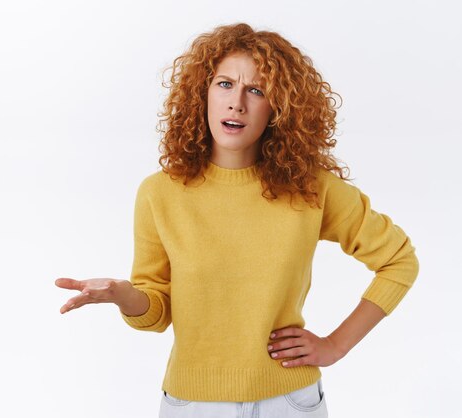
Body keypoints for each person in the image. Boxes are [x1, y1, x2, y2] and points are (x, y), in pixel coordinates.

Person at [55, 22, 419, 418]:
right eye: (225, 85)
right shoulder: (160, 193)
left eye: (256, 90)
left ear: (278, 108)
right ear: (202, 94)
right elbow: (156, 312)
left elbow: (399, 261)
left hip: (290, 401)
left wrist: (336, 344)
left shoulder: (312, 189)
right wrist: (124, 295)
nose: (237, 103)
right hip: (192, 404)